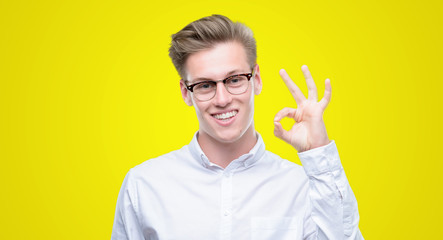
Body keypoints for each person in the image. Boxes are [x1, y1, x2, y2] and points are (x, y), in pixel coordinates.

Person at [111, 14, 363, 240]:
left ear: (257, 80)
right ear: (186, 93)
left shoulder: (305, 186)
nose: (222, 99)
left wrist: (317, 151)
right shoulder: (143, 185)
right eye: (205, 85)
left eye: (234, 80)